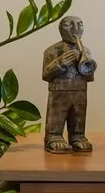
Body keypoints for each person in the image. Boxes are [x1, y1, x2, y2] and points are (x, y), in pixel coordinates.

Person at [40, 15, 97, 152]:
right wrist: (60, 63)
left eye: (79, 24)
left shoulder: (85, 50)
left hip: (80, 90)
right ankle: (54, 137)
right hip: (59, 91)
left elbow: (89, 77)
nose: (75, 29)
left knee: (78, 114)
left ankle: (77, 136)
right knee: (57, 114)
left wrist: (86, 63)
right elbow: (46, 75)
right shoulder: (52, 51)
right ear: (60, 29)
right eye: (68, 25)